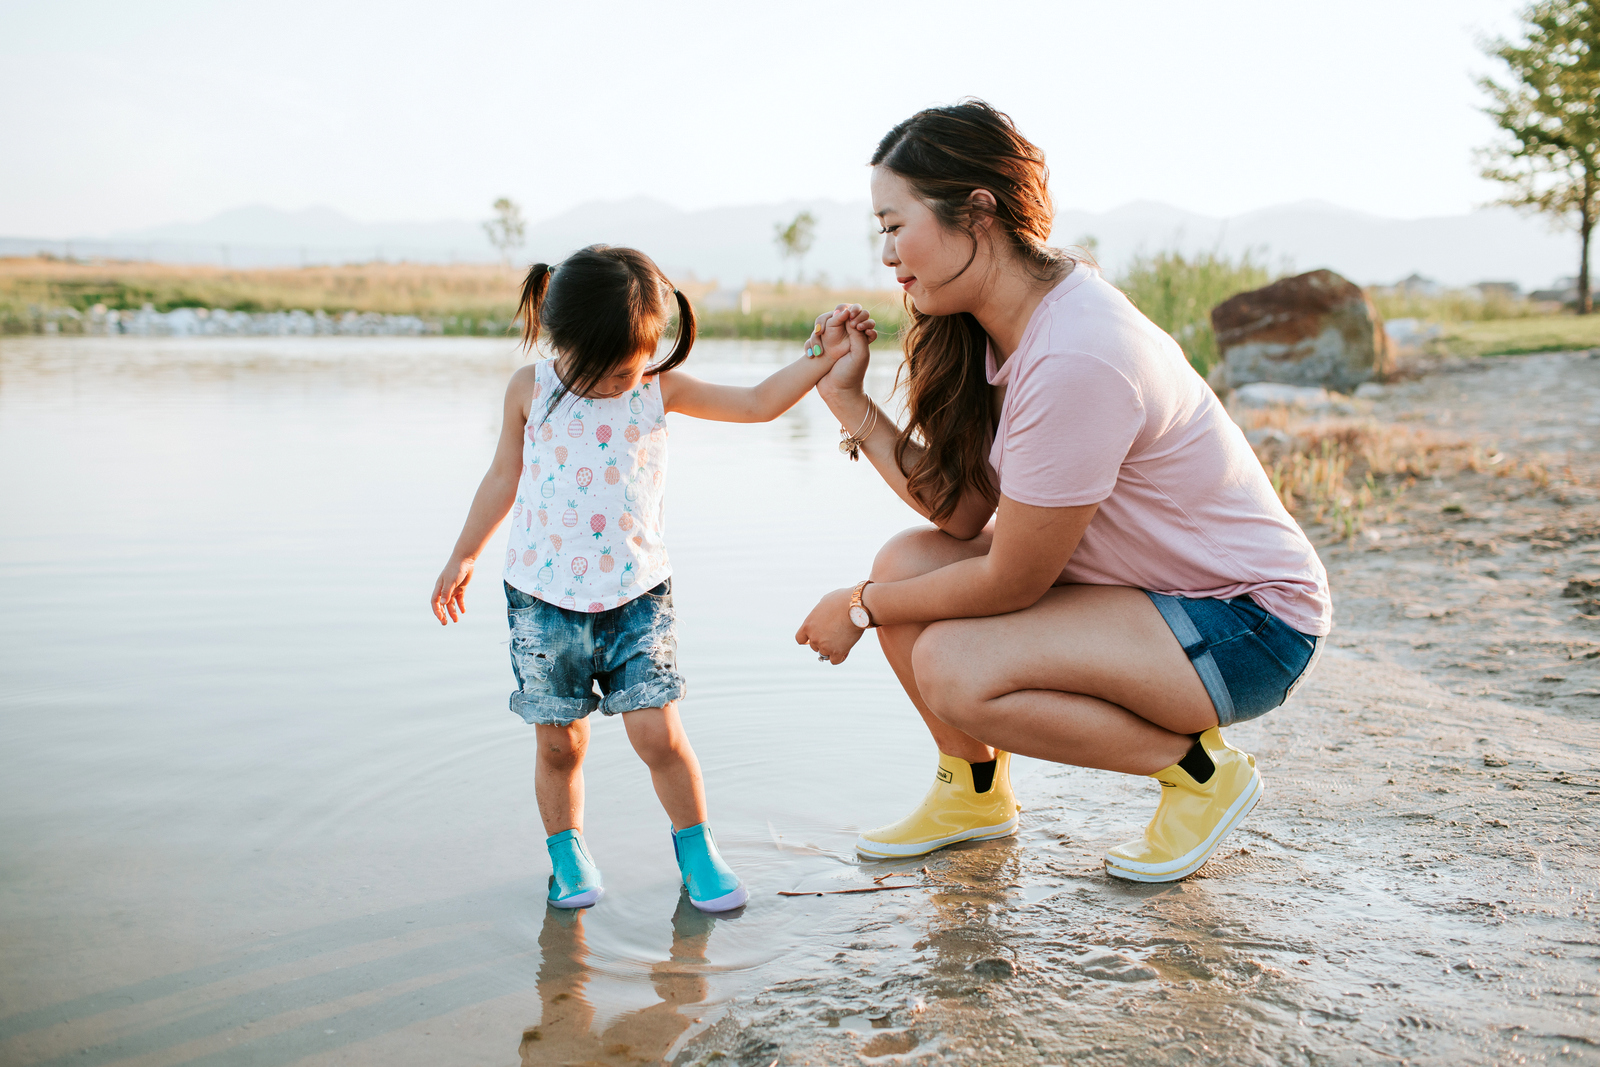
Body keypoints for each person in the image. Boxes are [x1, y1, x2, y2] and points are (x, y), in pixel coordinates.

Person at [795, 101, 1330, 883]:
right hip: (1160, 597)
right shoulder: (1009, 323)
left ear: (977, 213)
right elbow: (962, 511)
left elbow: (1013, 578)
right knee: (910, 558)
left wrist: (859, 604)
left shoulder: (1077, 352)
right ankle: (972, 793)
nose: (885, 254)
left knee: (951, 663)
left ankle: (1201, 778)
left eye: (894, 224)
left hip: (1247, 624)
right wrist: (850, 401)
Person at [432, 245, 876, 909]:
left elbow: (756, 403)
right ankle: (568, 855)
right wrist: (464, 552)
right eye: (608, 371)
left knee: (658, 734)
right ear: (567, 341)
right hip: (543, 600)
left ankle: (697, 848)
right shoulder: (530, 390)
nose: (621, 382)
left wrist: (822, 351)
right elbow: (504, 474)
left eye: (632, 367)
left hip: (636, 595)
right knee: (559, 744)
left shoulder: (655, 388)